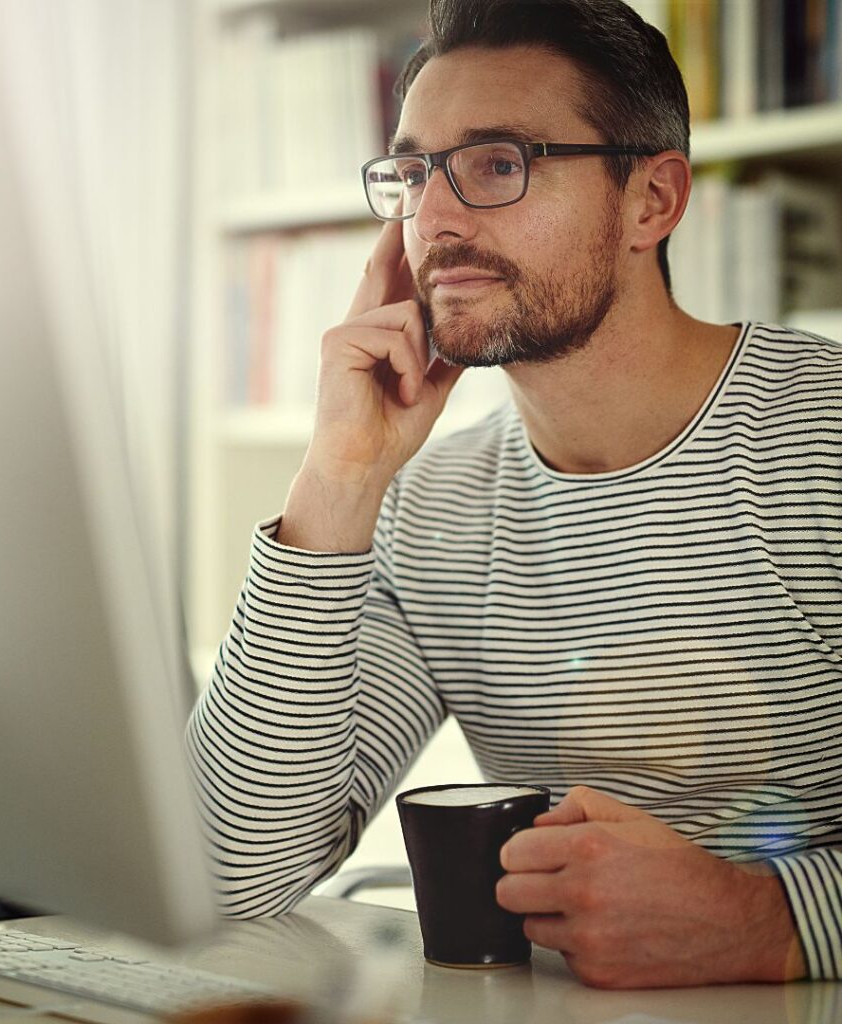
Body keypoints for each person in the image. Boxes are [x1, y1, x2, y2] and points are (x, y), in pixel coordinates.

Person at [187, 0, 842, 989]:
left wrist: (774, 924)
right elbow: (225, 875)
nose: (434, 220)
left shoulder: (818, 443)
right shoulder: (431, 507)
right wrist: (338, 476)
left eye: (497, 164)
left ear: (650, 201)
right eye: (412, 175)